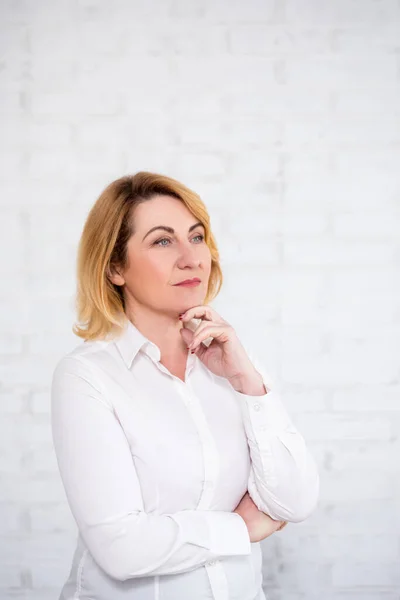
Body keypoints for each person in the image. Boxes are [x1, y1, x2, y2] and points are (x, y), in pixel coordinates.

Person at [51, 171, 320, 600]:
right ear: (115, 267)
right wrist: (241, 527)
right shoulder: (88, 376)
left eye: (196, 237)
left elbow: (296, 500)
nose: (191, 257)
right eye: (162, 241)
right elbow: (120, 547)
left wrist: (248, 382)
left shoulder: (234, 362)